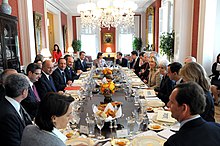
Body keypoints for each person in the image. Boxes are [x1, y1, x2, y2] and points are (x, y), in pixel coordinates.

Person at [165, 82, 220, 146]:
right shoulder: (217, 128)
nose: (168, 104)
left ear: (184, 108)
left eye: (172, 102)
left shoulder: (175, 142)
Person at [0, 74, 32, 146]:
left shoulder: (14, 102)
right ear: (24, 92)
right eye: (28, 89)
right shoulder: (7, 115)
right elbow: (13, 142)